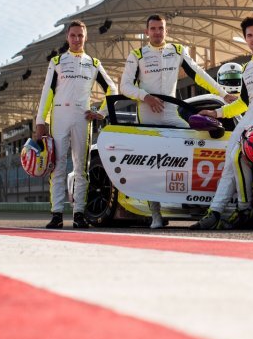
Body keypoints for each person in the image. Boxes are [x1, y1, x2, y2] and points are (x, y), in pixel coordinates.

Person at [120, 14, 237, 228]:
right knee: (151, 164)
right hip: (147, 116)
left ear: (166, 30)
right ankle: (156, 214)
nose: (157, 32)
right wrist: (145, 97)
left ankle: (197, 202)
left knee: (193, 146)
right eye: (153, 28)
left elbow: (199, 75)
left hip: (172, 114)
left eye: (160, 28)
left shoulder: (177, 51)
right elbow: (124, 87)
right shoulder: (137, 55)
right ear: (147, 32)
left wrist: (222, 94)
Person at [190, 15, 253, 230]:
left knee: (238, 157)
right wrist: (216, 113)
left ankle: (244, 208)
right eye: (249, 35)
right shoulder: (245, 68)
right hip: (248, 119)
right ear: (245, 38)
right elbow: (243, 103)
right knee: (229, 162)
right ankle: (215, 212)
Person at [35, 20, 117, 229]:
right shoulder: (57, 61)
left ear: (86, 37)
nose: (77, 39)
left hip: (83, 116)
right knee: (58, 167)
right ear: (67, 37)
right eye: (73, 35)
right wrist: (40, 121)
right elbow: (47, 92)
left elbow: (112, 89)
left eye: (80, 35)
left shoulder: (94, 63)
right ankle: (56, 215)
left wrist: (101, 113)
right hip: (60, 115)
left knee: (82, 168)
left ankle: (79, 214)